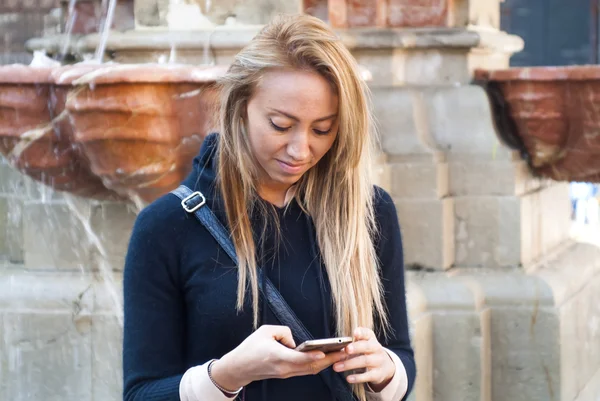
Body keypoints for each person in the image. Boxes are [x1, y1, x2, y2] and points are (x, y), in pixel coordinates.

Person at [122, 13, 416, 401]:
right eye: (280, 125)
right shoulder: (166, 226)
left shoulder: (369, 211)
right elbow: (141, 393)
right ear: (240, 107)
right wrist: (227, 375)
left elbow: (400, 354)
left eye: (322, 129)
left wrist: (385, 372)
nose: (300, 149)